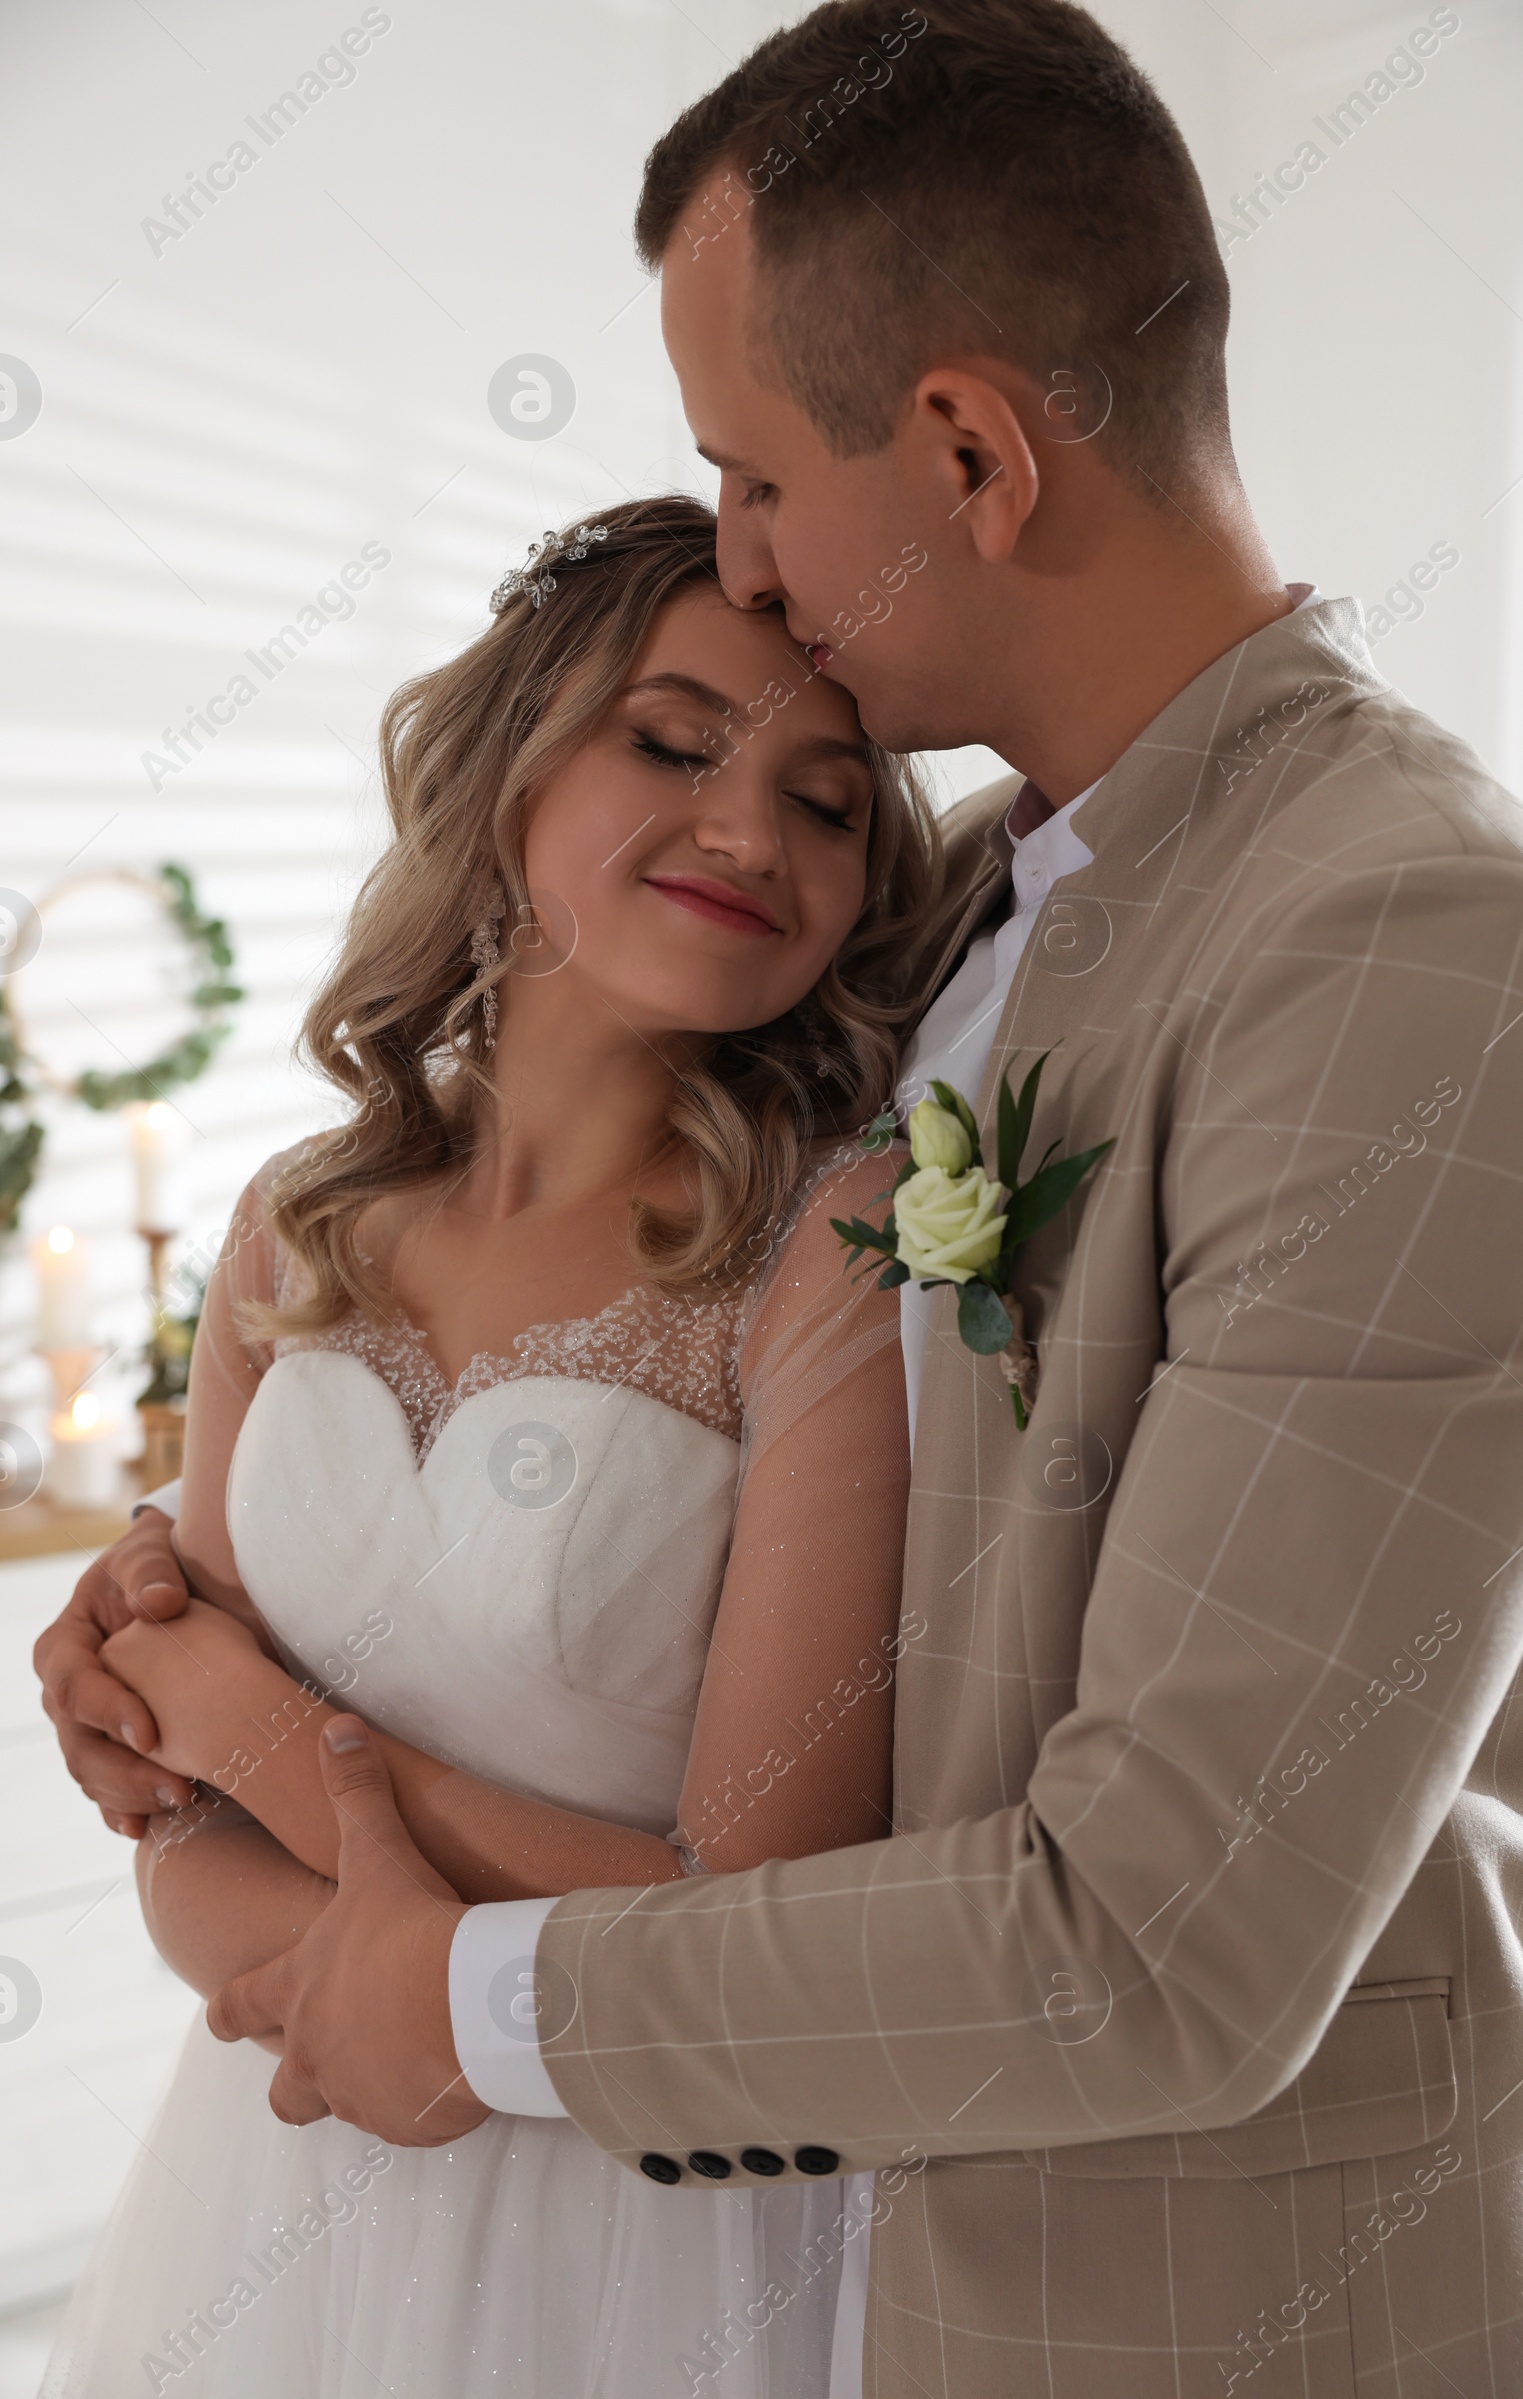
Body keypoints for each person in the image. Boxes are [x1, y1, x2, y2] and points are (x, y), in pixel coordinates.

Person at [38, 3, 1523, 2394]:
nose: (749, 562)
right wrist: (157, 1628)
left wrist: (391, 1906)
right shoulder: (955, 910)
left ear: (964, 448)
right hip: (816, 2270)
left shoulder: (1412, 944)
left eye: (749, 477)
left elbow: (1153, 1943)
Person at [36, 493, 947, 2397]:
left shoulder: (829, 1260)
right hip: (284, 2187)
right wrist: (336, 1989)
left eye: (828, 799)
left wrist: (250, 1728)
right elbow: (162, 1812)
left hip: (663, 2232)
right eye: (676, 742)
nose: (746, 832)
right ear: (517, 755)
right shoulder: (303, 1222)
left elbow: (754, 1928)